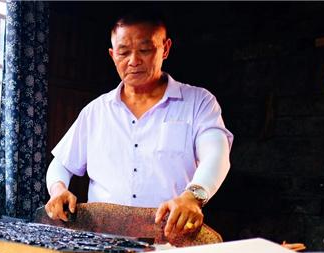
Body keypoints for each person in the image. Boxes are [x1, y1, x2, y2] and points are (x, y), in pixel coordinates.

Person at [45, 12, 233, 238]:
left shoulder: (198, 102)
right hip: (101, 240)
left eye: (145, 50)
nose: (133, 61)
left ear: (165, 49)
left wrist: (192, 196)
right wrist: (58, 190)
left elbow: (216, 154)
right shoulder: (95, 111)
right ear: (113, 55)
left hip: (170, 240)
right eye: (124, 52)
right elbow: (61, 164)